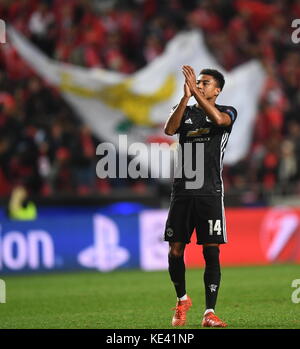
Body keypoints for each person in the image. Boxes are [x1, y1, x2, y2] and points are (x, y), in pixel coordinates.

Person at [164, 66, 237, 328]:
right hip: (182, 191)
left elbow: (219, 121)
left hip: (210, 193)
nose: (200, 85)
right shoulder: (186, 110)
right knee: (175, 249)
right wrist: (186, 98)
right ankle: (182, 300)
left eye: (205, 83)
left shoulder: (227, 111)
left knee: (211, 250)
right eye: (199, 82)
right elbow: (169, 130)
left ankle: (209, 313)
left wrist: (195, 92)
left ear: (217, 90)